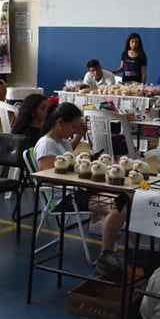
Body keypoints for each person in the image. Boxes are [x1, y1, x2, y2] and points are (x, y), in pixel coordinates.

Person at [33, 103, 127, 281]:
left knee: (126, 198)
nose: (73, 131)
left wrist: (80, 139)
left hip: (76, 192)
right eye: (73, 126)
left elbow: (66, 154)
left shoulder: (60, 141)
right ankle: (106, 255)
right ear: (59, 122)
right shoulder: (46, 144)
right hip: (65, 198)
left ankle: (115, 243)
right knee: (119, 206)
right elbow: (50, 178)